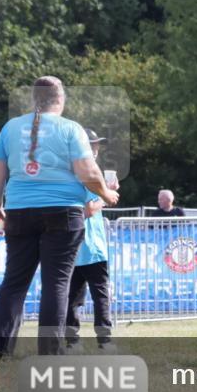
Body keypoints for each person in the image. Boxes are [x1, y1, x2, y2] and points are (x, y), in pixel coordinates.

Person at [0, 76, 119, 357]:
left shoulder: (11, 128)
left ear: (34, 99)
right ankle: (50, 350)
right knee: (56, 283)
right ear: (61, 99)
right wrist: (107, 194)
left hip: (19, 211)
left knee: (14, 281)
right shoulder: (71, 129)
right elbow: (87, 171)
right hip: (64, 212)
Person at [65, 129, 116, 351]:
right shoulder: (83, 174)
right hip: (87, 247)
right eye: (92, 144)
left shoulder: (80, 172)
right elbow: (86, 211)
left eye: (96, 145)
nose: (96, 149)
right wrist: (107, 195)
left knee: (75, 298)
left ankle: (75, 341)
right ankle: (101, 342)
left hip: (83, 247)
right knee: (94, 297)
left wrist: (107, 191)